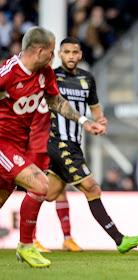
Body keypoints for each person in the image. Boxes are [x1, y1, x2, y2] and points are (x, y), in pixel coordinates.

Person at [0, 26, 104, 268]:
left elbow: (55, 100)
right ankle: (26, 246)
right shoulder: (8, 73)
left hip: (20, 145)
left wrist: (84, 120)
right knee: (40, 185)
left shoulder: (44, 72)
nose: (54, 56)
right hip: (3, 144)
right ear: (39, 50)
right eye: (51, 51)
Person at [43, 36, 138, 258]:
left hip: (74, 143)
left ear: (80, 55)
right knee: (92, 187)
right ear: (60, 54)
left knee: (49, 193)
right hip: (58, 141)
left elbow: (95, 108)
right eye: (67, 52)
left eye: (75, 52)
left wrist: (100, 120)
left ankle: (38, 235)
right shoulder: (52, 76)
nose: (71, 56)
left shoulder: (87, 79)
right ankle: (119, 239)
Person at [26, 99, 82, 252]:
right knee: (34, 190)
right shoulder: (30, 86)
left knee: (60, 189)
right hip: (33, 147)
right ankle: (31, 240)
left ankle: (67, 238)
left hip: (53, 146)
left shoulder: (54, 88)